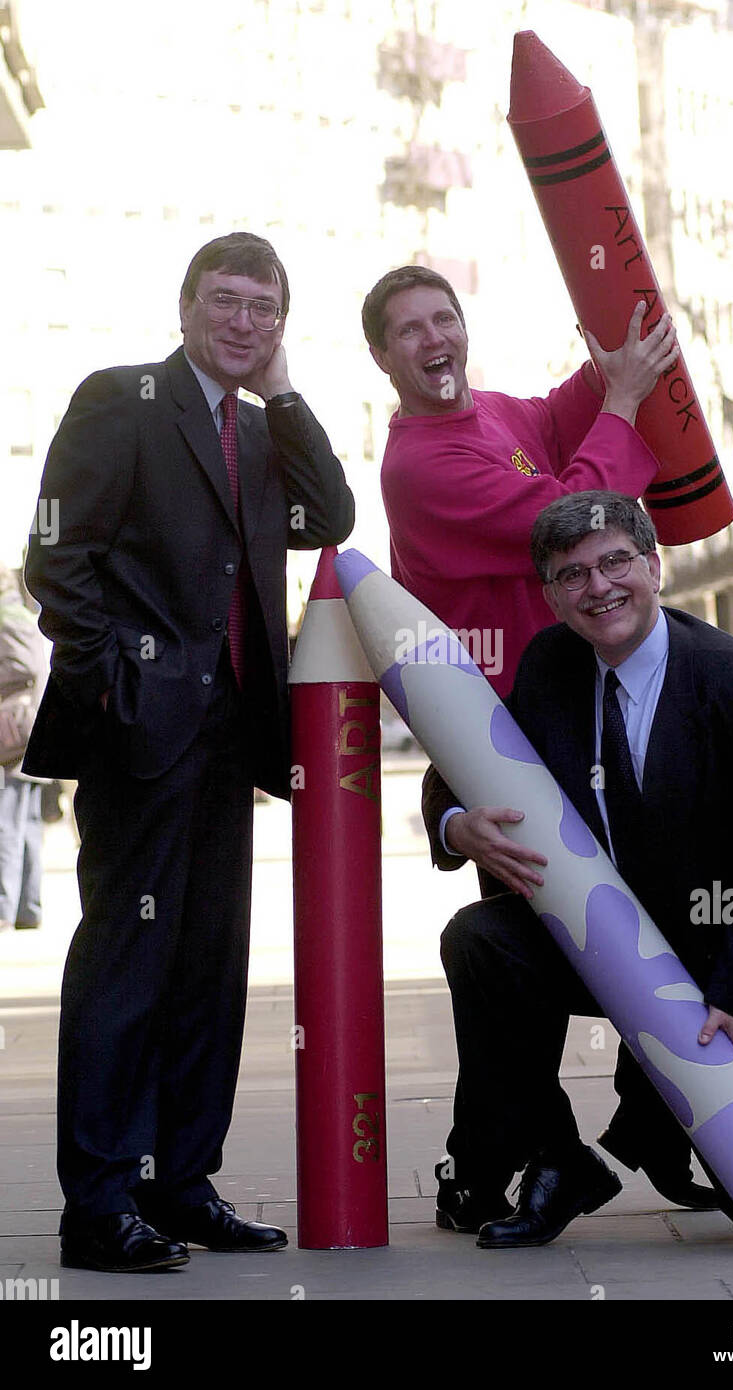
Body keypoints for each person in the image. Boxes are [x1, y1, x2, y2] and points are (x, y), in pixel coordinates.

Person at [421, 491, 733, 1248]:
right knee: (480, 939)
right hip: (610, 950)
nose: (598, 588)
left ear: (655, 566)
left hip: (729, 960)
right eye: (573, 576)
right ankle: (560, 1157)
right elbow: (468, 763)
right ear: (552, 596)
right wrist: (455, 824)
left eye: (614, 563)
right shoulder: (548, 666)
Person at [23, 232, 355, 1273]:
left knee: (209, 964)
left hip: (234, 738)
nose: (245, 321)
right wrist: (121, 677)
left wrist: (288, 392)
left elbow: (331, 516)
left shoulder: (261, 437)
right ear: (185, 307)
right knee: (128, 962)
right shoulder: (118, 399)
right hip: (140, 732)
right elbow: (55, 553)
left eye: (265, 307)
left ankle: (185, 1182)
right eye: (227, 300)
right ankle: (100, 1205)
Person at [362, 265, 677, 696]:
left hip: (564, 684)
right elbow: (577, 525)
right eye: (410, 330)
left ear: (464, 330)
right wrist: (623, 395)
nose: (434, 338)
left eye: (444, 319)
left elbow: (551, 420)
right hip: (508, 718)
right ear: (381, 356)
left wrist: (607, 369)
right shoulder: (419, 467)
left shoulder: (488, 408)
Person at [0, 564, 48, 932]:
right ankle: (29, 908)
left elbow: (20, 669)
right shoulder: (26, 615)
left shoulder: (5, 619)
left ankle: (3, 907)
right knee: (28, 822)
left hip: (10, 735)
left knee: (6, 824)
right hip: (32, 729)